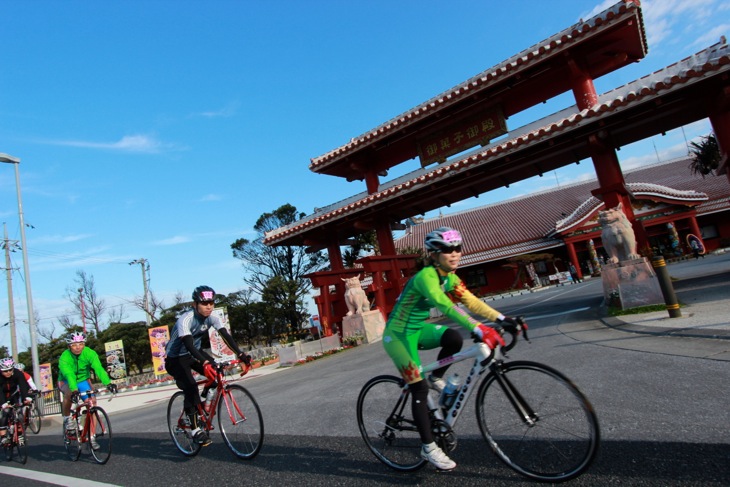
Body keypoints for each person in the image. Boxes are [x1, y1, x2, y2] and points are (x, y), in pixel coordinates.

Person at [383, 226, 522, 471]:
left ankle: (437, 377)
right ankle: (428, 448)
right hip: (398, 335)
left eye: (458, 248)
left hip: (418, 330)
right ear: (434, 254)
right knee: (418, 387)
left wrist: (501, 319)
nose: (455, 253)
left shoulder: (450, 277)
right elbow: (446, 307)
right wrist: (480, 329)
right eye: (448, 249)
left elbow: (470, 301)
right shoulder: (426, 277)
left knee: (454, 339)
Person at [165, 285, 252, 447]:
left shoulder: (212, 317)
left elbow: (226, 336)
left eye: (211, 303)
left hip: (193, 354)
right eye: (204, 303)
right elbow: (189, 344)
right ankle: (195, 429)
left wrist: (241, 355)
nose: (209, 306)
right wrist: (204, 362)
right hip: (176, 358)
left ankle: (203, 402)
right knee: (190, 387)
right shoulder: (185, 319)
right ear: (195, 304)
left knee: (217, 372)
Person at [58, 331, 118, 449]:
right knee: (69, 393)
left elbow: (98, 369)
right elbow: (69, 375)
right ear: (69, 346)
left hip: (82, 380)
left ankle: (92, 437)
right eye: (74, 345)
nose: (78, 347)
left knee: (92, 403)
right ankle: (67, 418)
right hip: (65, 380)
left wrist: (109, 383)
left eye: (81, 344)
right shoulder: (64, 358)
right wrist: (75, 390)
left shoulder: (90, 353)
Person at [0, 358, 32, 446]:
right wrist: (3, 403)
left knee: (19, 412)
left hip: (13, 394)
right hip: (2, 395)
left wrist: (26, 398)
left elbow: (23, 386)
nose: (8, 372)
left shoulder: (18, 373)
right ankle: (3, 437)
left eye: (10, 370)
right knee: (5, 412)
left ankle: (20, 434)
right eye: (5, 371)